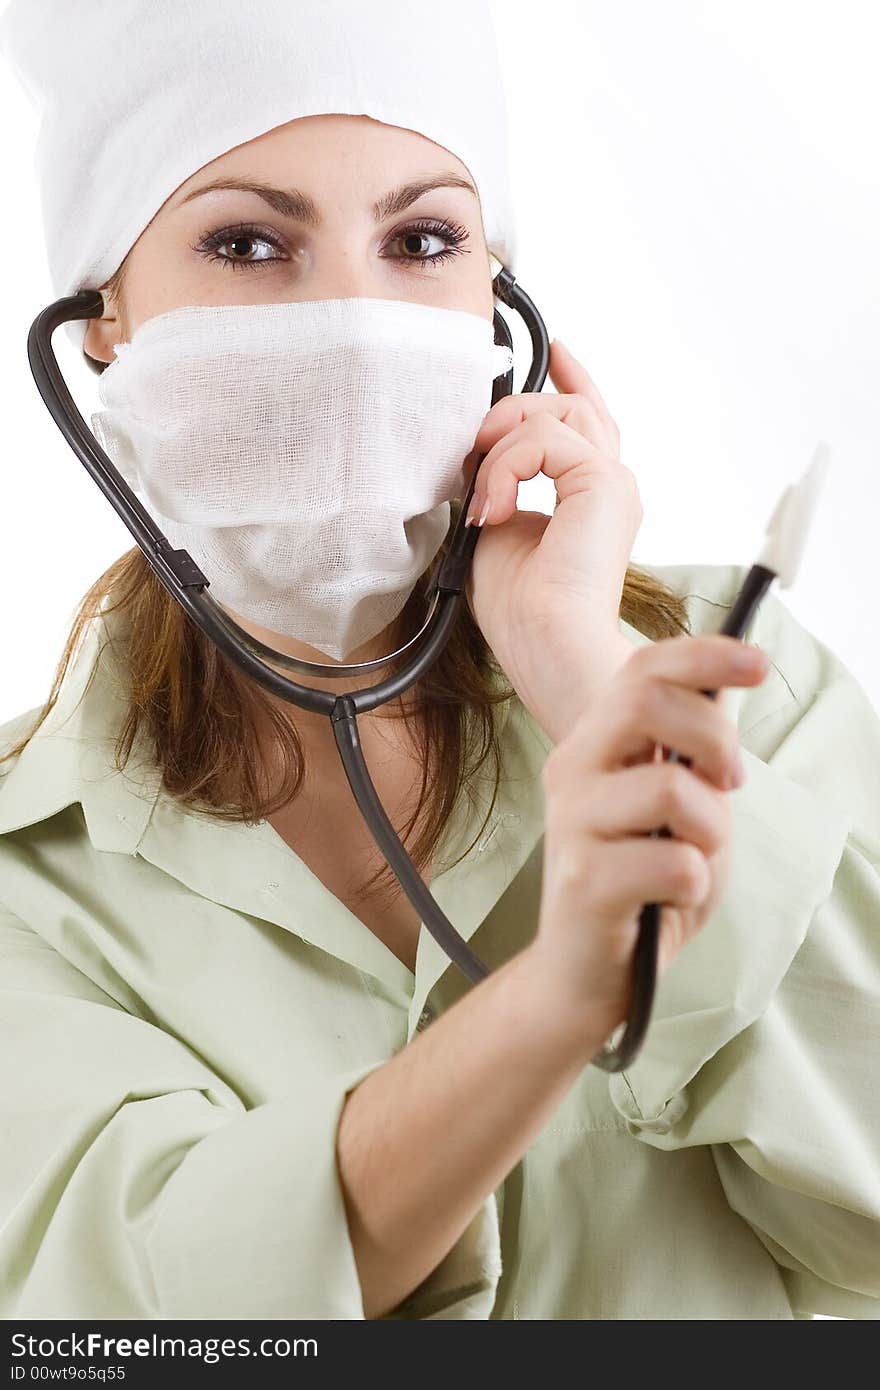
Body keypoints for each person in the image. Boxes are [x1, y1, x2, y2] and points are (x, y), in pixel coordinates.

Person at [1, 2, 878, 1323]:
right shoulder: (26, 880)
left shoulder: (745, 681)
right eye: (249, 241)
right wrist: (558, 996)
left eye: (422, 240)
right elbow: (134, 1317)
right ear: (109, 319)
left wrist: (585, 666)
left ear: (499, 305)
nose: (356, 322)